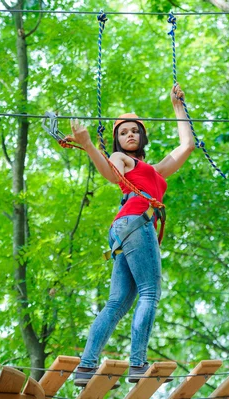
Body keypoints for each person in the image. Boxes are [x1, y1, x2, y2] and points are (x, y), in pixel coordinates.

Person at [68, 83, 194, 388]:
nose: (130, 135)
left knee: (117, 303)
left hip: (125, 228)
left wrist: (178, 108)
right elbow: (111, 174)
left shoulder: (152, 170)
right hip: (137, 222)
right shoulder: (122, 159)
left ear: (143, 136)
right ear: (117, 140)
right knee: (149, 293)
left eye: (135, 130)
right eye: (123, 132)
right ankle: (138, 364)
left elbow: (187, 146)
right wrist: (88, 146)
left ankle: (85, 367)